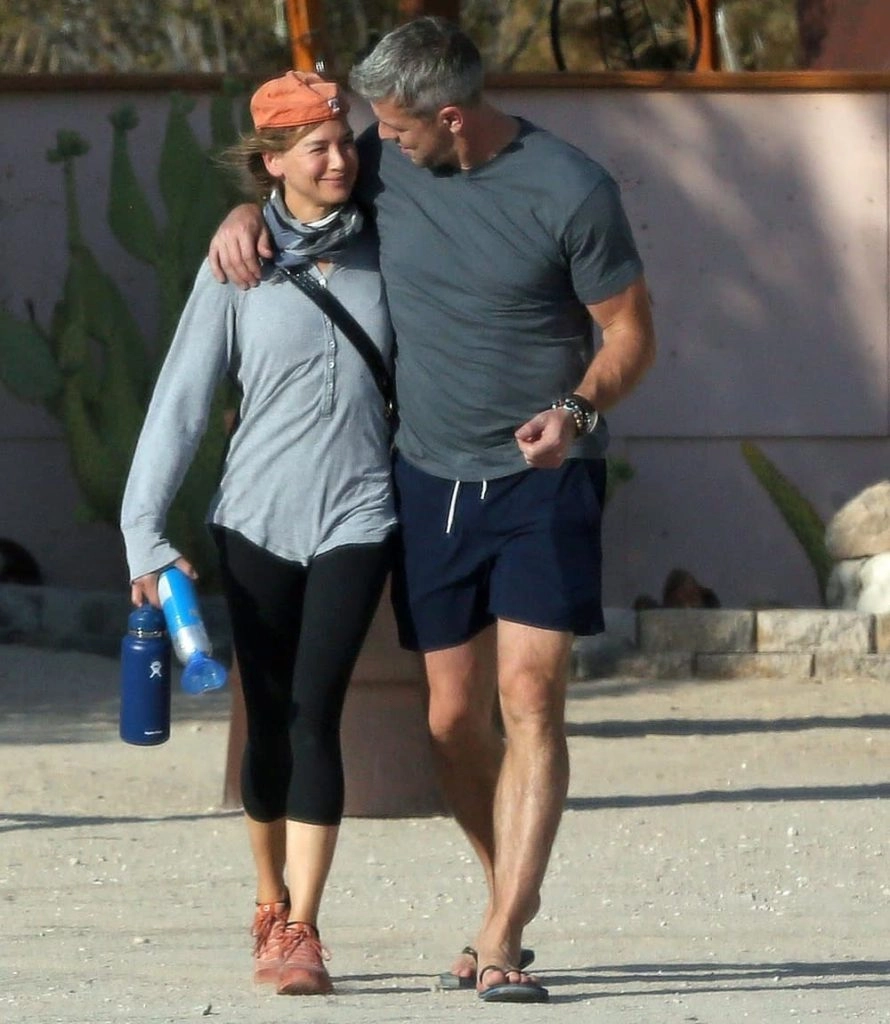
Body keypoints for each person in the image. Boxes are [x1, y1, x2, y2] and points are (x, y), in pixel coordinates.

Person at [208, 16, 655, 1004]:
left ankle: (501, 932)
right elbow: (296, 193)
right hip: (429, 476)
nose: (380, 144)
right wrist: (240, 217)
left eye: (399, 127)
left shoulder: (571, 188)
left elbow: (630, 333)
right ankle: (505, 895)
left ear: (450, 117)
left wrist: (577, 411)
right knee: (452, 720)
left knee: (528, 695)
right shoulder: (382, 161)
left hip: (544, 477)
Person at [120, 71, 396, 997]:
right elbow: (181, 402)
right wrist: (142, 533)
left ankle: (304, 929)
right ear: (271, 162)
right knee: (268, 715)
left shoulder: (392, 244)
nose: (339, 160)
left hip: (361, 513)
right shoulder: (237, 264)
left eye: (345, 141)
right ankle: (269, 899)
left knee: (318, 711)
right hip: (255, 521)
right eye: (316, 148)